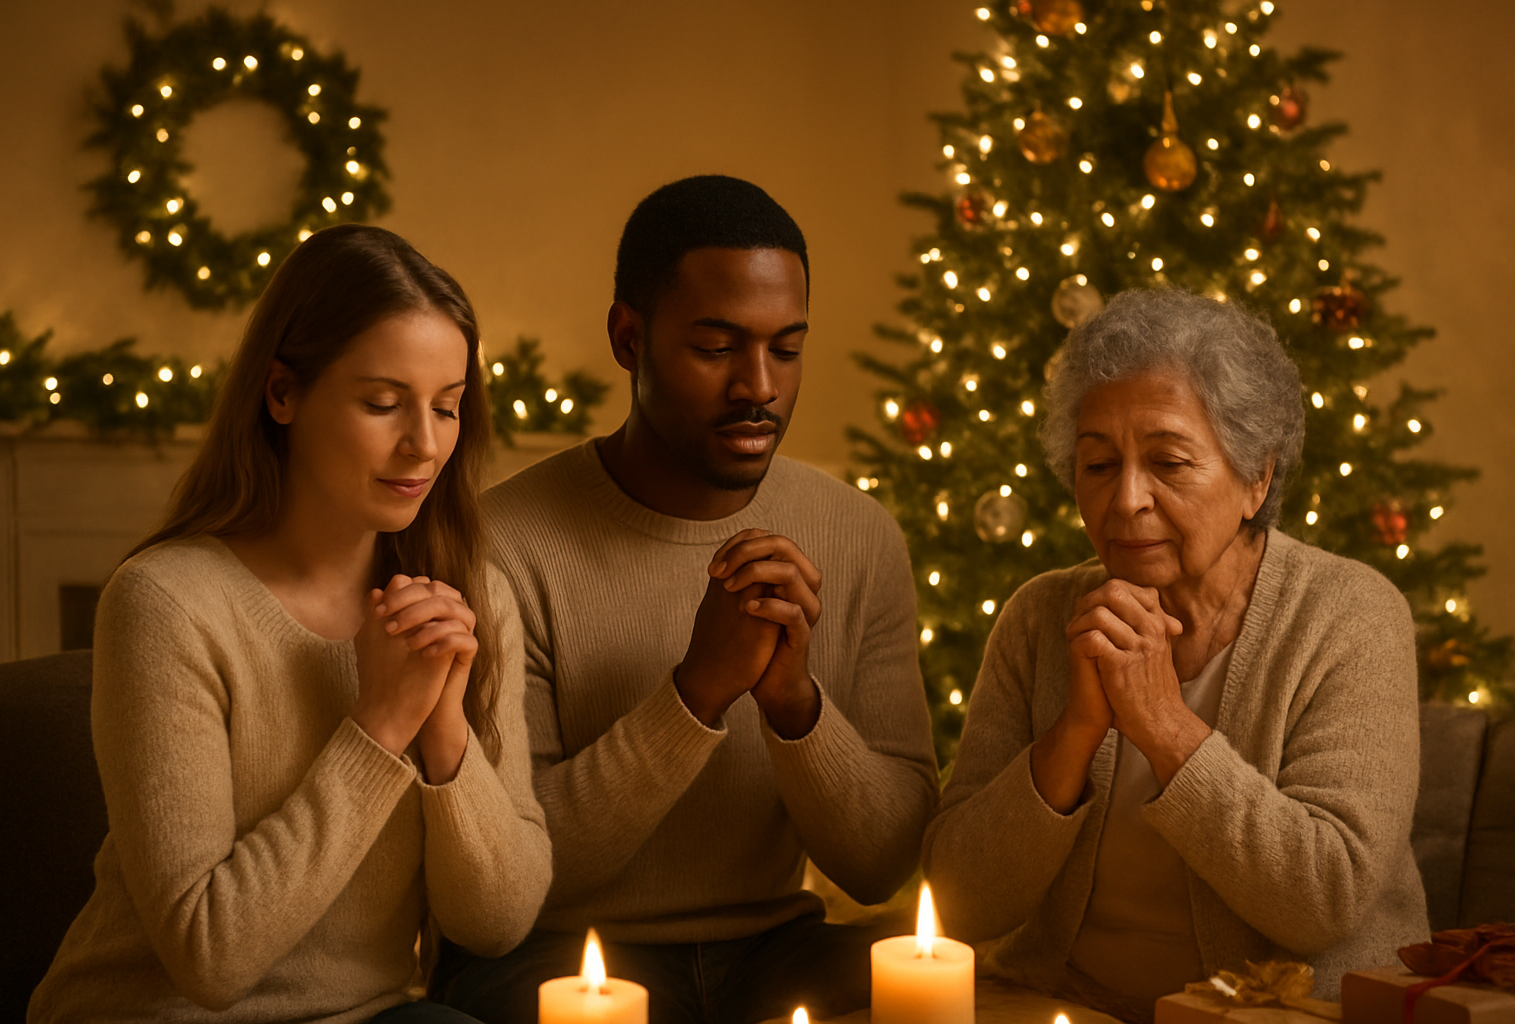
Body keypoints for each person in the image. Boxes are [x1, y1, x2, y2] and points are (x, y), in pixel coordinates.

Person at [432, 175, 938, 1024]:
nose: (760, 386)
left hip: (778, 948)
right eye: (717, 348)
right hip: (558, 954)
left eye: (786, 348)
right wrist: (696, 694)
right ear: (629, 338)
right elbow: (521, 873)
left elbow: (882, 865)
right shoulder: (500, 545)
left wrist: (795, 708)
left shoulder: (859, 535)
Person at [28, 225, 551, 1024]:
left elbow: (496, 923)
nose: (424, 445)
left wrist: (445, 731)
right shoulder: (166, 602)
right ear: (282, 394)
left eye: (446, 408)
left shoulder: (470, 595)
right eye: (382, 403)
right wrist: (379, 727)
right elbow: (209, 957)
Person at [922, 288, 1429, 1023]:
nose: (1127, 499)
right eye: (1098, 465)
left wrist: (1163, 725)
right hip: (1061, 1004)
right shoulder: (1040, 617)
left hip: (1274, 1015)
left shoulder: (1350, 614)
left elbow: (1328, 897)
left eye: (1169, 462)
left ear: (1257, 477)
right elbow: (959, 898)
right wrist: (1072, 735)